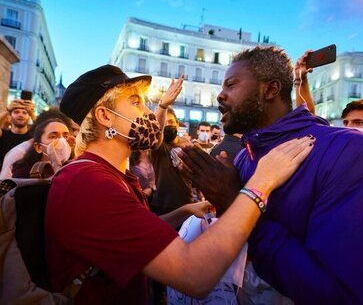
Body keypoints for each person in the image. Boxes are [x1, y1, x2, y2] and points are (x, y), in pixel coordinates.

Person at [45, 64, 314, 304]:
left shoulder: (110, 175)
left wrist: (184, 211)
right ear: (105, 117)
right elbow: (194, 276)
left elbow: (136, 241)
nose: (148, 112)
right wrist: (260, 185)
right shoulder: (91, 184)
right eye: (136, 102)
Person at [178, 46, 363, 304]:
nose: (220, 96)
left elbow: (343, 295)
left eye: (231, 85)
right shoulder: (242, 157)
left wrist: (236, 200)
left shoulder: (348, 151)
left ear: (270, 90)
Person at [0, 108, 75, 179]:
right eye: (53, 136)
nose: (61, 140)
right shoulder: (24, 173)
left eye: (65, 136)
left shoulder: (74, 167)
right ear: (38, 147)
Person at [151, 107, 193, 215]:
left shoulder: (187, 144)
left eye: (171, 122)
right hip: (163, 205)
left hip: (187, 201)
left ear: (177, 124)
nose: (168, 125)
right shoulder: (157, 145)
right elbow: (156, 133)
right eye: (164, 123)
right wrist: (163, 107)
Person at [0, 99, 35, 169]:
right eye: (16, 112)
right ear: (9, 117)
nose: (20, 115)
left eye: (25, 113)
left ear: (29, 117)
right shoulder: (2, 134)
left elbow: (45, 128)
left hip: (25, 178)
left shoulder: (33, 137)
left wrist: (32, 114)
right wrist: (7, 110)